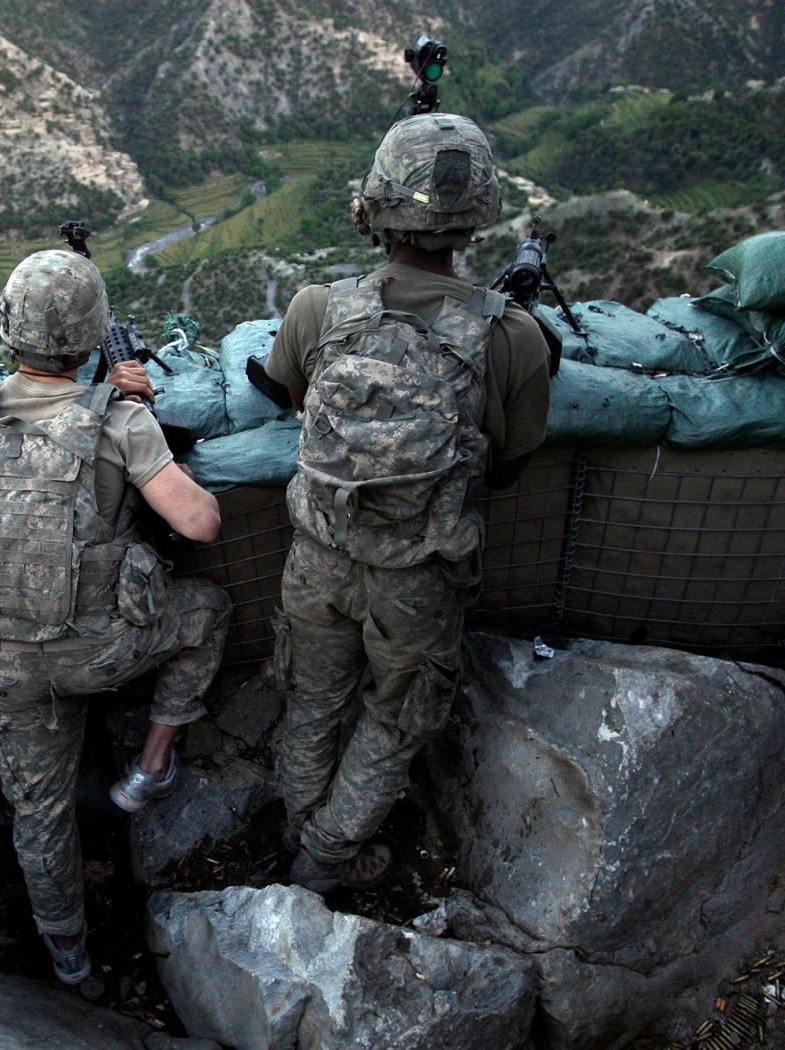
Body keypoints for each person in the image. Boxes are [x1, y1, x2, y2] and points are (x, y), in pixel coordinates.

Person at [264, 113, 551, 893]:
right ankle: (324, 858)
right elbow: (511, 468)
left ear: (376, 206)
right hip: (418, 575)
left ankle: (299, 821)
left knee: (314, 697)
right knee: (397, 716)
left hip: (318, 553)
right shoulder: (512, 337)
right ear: (477, 211)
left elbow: (291, 395)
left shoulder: (318, 307)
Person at [0, 249, 231, 986]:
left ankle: (70, 964)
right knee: (207, 612)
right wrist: (128, 410)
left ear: (9, 329)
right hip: (97, 648)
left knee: (38, 815)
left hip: (2, 664)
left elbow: (40, 433)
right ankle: (150, 769)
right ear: (93, 335)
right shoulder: (120, 422)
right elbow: (199, 523)